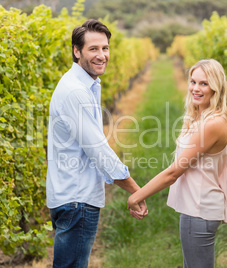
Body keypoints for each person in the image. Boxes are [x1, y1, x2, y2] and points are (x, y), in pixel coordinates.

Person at [46, 19, 148, 268]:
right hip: (77, 200)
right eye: (93, 49)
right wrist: (137, 191)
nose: (102, 55)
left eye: (105, 48)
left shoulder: (83, 84)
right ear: (76, 51)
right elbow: (99, 151)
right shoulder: (76, 92)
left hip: (71, 197)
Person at [128, 59, 227, 268]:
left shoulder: (212, 124)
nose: (195, 88)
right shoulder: (203, 117)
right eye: (193, 81)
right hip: (196, 208)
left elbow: (174, 172)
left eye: (204, 83)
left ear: (216, 87)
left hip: (200, 209)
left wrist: (136, 196)